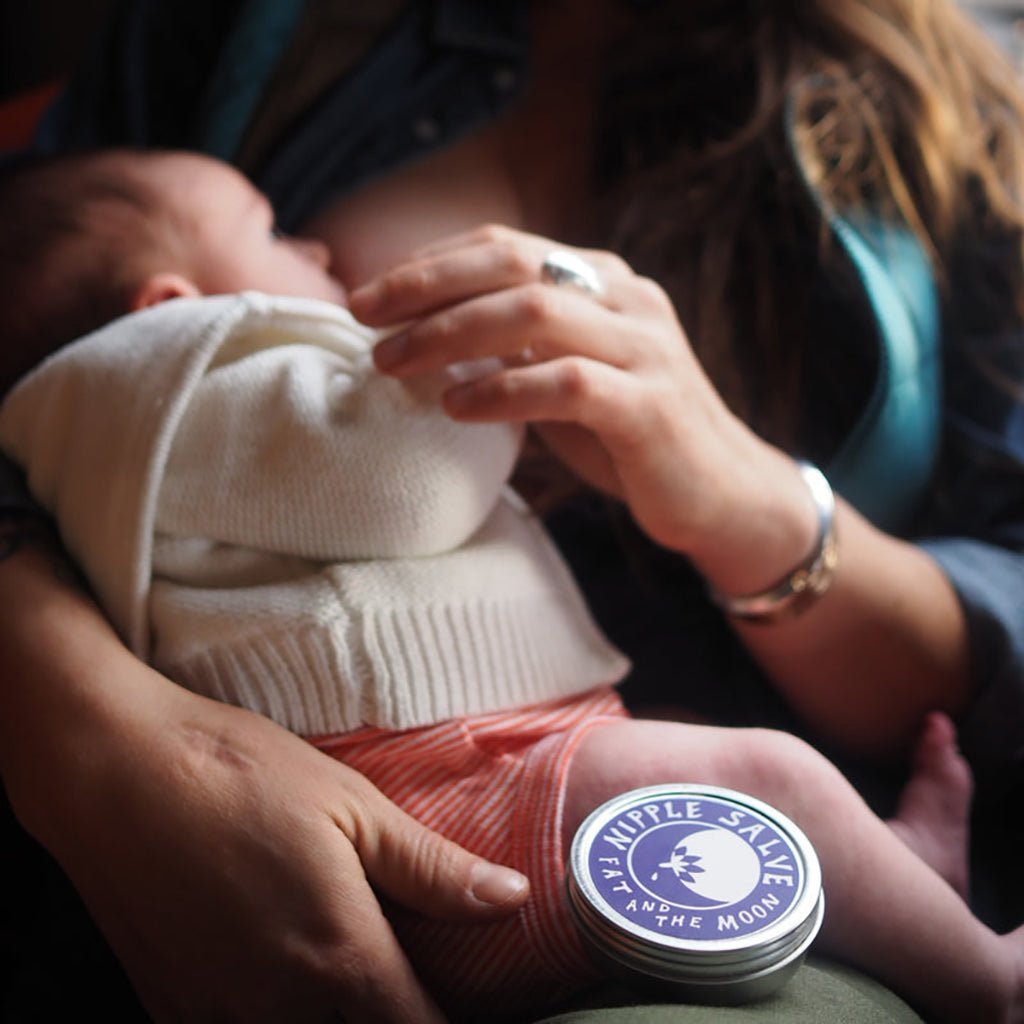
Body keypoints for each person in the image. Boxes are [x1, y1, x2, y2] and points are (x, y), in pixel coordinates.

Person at [0, 0, 1022, 1020]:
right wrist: (93, 729)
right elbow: (395, 479)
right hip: (453, 813)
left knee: (728, 768)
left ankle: (886, 877)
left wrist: (748, 501)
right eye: (274, 229)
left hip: (550, 778)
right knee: (760, 775)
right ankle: (983, 978)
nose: (313, 253)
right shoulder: (199, 368)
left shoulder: (957, 117)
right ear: (169, 310)